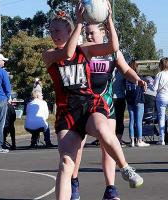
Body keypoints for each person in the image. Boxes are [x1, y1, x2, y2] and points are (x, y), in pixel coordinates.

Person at [42, 2, 143, 200]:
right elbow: (67, 53)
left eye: (58, 30)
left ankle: (125, 168)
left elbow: (113, 47)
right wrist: (79, 23)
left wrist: (109, 20)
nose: (54, 34)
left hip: (89, 105)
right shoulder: (49, 55)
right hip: (67, 112)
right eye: (51, 30)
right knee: (65, 163)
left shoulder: (85, 49)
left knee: (104, 130)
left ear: (69, 30)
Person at [71, 23, 148, 200]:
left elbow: (126, 69)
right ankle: (74, 183)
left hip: (105, 104)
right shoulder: (82, 50)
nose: (89, 36)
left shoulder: (113, 52)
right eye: (86, 33)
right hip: (82, 105)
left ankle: (110, 189)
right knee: (78, 147)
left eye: (92, 33)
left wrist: (138, 80)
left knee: (108, 146)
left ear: (104, 33)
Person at [125, 60, 150, 147]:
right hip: (139, 100)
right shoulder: (139, 77)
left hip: (130, 101)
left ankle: (132, 140)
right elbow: (145, 87)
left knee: (131, 121)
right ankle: (139, 140)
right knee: (139, 121)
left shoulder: (127, 79)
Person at [152, 57, 168, 145]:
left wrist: (150, 84)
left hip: (161, 97)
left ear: (161, 65)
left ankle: (162, 139)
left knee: (161, 118)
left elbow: (154, 88)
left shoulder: (159, 74)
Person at [113, 69, 126, 146]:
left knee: (113, 119)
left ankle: (116, 138)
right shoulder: (122, 73)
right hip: (119, 97)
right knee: (119, 119)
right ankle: (118, 138)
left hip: (114, 97)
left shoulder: (111, 71)